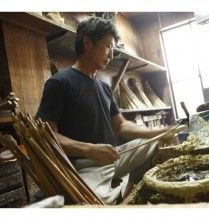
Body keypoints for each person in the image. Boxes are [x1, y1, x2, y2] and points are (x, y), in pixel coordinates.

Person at [36, 16, 169, 204]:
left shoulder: (104, 86)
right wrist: (90, 150)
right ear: (88, 43)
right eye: (108, 46)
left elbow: (121, 125)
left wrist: (157, 132)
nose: (111, 54)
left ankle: (130, 191)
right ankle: (116, 199)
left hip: (113, 157)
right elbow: (46, 135)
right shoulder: (60, 83)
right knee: (96, 203)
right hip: (85, 166)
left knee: (153, 143)